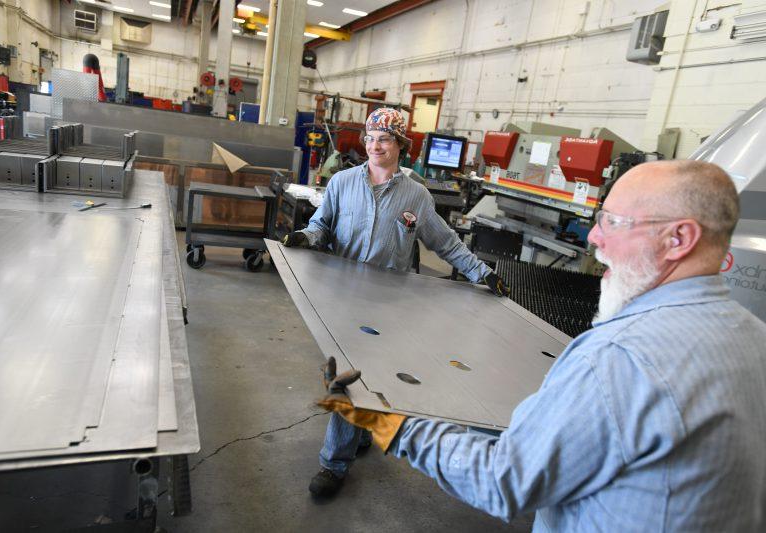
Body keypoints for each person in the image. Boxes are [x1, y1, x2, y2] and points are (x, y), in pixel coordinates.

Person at [319, 160, 766, 531]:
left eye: (613, 222)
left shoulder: (617, 358)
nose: (594, 238)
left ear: (679, 239)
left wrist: (387, 422)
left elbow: (504, 481)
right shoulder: (753, 337)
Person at [282, 107, 509, 498]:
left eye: (383, 140)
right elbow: (321, 226)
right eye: (370, 139)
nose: (374, 146)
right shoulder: (342, 182)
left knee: (370, 374)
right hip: (342, 296)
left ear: (401, 145)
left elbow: (445, 242)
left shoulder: (415, 195)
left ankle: (347, 447)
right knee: (350, 378)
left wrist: (481, 273)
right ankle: (339, 457)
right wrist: (305, 237)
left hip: (388, 303)